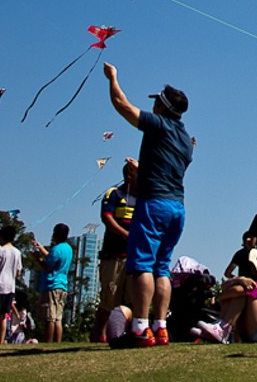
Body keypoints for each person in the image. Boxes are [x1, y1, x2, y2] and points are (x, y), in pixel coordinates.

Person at [104, 64, 193, 347]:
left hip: (153, 204)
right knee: (162, 268)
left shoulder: (159, 124)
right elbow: (166, 168)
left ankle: (140, 328)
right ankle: (160, 326)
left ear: (163, 107)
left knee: (141, 264)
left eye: (156, 102)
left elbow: (122, 105)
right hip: (177, 207)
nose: (152, 105)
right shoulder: (185, 139)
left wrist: (113, 78)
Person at [94, 158, 137, 341]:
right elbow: (107, 218)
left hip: (134, 256)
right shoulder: (114, 194)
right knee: (109, 298)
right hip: (114, 255)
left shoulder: (143, 198)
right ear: (129, 175)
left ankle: (128, 332)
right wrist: (125, 234)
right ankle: (99, 334)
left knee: (132, 298)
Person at [33, 223, 73, 343]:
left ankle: (48, 342)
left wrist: (37, 257)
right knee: (58, 318)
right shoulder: (68, 248)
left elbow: (46, 266)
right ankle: (57, 342)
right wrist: (41, 249)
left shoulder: (56, 249)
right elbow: (52, 258)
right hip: (62, 285)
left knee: (49, 318)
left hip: (52, 285)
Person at [0, 225, 23, 344]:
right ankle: (2, 340)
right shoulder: (17, 253)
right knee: (3, 316)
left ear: (1, 237)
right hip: (10, 287)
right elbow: (18, 272)